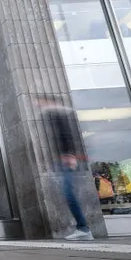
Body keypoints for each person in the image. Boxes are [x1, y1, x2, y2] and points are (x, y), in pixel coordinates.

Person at [37, 93, 93, 241]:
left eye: (40, 102)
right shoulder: (54, 114)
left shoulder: (60, 113)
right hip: (65, 159)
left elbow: (67, 135)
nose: (38, 104)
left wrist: (70, 155)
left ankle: (84, 229)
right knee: (68, 193)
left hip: (69, 160)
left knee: (69, 193)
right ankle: (83, 228)